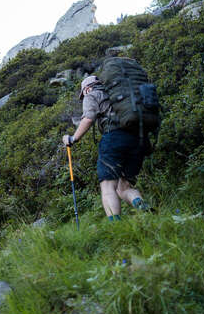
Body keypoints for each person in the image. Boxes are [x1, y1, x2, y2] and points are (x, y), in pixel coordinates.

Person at [63, 75, 149, 221]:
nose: (84, 96)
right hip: (137, 138)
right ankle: (143, 207)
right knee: (124, 187)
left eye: (83, 93)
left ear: (87, 88)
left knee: (108, 186)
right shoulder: (118, 95)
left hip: (114, 138)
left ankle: (117, 227)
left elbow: (89, 118)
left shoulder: (92, 94)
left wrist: (73, 138)